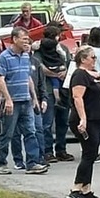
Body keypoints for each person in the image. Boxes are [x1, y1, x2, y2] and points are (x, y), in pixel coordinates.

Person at [0, 26, 47, 175]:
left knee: (31, 131)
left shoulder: (26, 56)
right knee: (7, 133)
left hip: (26, 100)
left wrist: (34, 97)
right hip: (12, 102)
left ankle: (32, 163)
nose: (27, 42)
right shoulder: (4, 57)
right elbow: (0, 79)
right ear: (14, 39)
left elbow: (28, 77)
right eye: (24, 39)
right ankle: (1, 163)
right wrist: (8, 100)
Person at [66, 46, 100, 198]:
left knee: (91, 154)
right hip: (87, 120)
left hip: (97, 119)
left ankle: (87, 190)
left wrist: (99, 75)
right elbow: (78, 98)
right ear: (83, 59)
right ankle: (76, 189)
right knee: (89, 154)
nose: (95, 60)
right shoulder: (79, 75)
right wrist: (83, 119)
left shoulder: (90, 75)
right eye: (92, 58)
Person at [34, 31, 71, 161]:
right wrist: (55, 74)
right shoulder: (39, 52)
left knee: (63, 121)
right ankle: (47, 151)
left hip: (64, 89)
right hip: (47, 89)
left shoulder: (63, 49)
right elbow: (40, 67)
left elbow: (69, 63)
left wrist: (65, 71)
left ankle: (61, 149)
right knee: (47, 123)